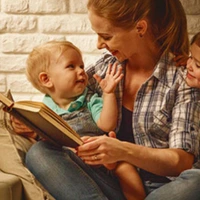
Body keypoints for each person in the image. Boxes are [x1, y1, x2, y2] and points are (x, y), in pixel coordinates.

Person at [12, 0, 200, 200]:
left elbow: (182, 161)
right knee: (40, 152)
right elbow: (67, 103)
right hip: (113, 184)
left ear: (140, 28)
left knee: (196, 180)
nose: (99, 44)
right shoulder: (106, 69)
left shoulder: (182, 79)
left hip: (163, 190)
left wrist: (123, 151)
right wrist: (38, 126)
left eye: (106, 36)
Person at [24, 40, 145, 200]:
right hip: (76, 170)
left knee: (125, 168)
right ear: (46, 79)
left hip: (106, 166)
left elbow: (107, 124)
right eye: (71, 66)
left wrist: (108, 94)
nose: (82, 71)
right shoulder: (44, 111)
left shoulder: (89, 98)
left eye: (81, 66)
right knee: (38, 151)